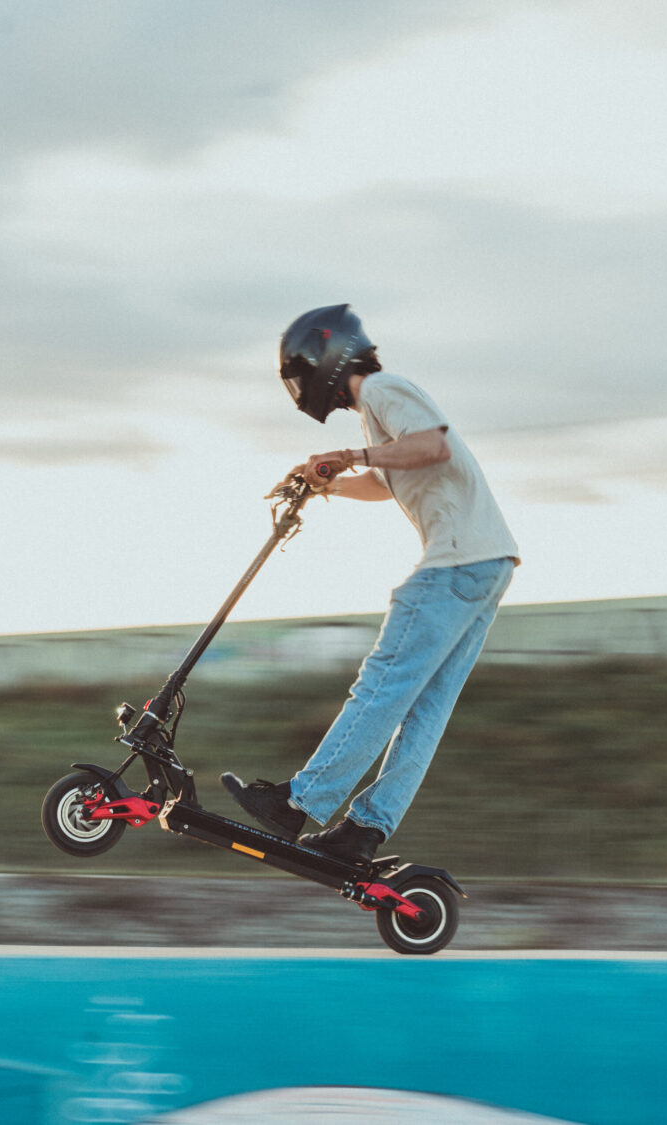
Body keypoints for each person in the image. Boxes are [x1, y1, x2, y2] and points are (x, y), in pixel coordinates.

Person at [221, 304, 519, 865]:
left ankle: (298, 803)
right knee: (425, 708)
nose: (300, 387)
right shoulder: (378, 410)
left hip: (456, 564)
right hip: (487, 563)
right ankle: (364, 830)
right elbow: (387, 480)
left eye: (299, 374)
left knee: (382, 686)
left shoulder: (383, 386)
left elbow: (433, 445)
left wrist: (351, 455)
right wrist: (324, 482)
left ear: (325, 356)